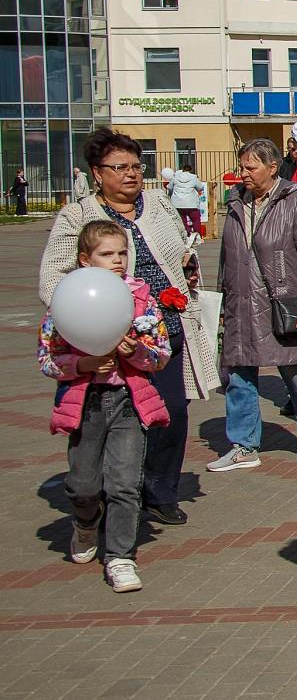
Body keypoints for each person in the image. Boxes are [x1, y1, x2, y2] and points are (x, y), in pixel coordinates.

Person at [40, 127, 218, 527]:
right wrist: (84, 322)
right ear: (96, 173)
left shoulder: (158, 202)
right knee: (115, 419)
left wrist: (188, 271)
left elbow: (178, 251)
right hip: (109, 341)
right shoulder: (78, 215)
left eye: (137, 166)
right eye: (119, 167)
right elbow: (52, 279)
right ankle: (113, 494)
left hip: (165, 331)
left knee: (171, 411)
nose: (132, 174)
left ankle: (159, 491)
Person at [40, 220, 173, 592]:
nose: (117, 261)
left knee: (125, 483)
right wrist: (81, 364)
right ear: (85, 259)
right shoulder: (69, 298)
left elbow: (160, 354)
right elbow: (47, 357)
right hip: (85, 403)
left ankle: (120, 556)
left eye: (122, 253)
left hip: (129, 401)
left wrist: (138, 354)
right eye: (107, 254)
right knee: (83, 484)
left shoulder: (140, 298)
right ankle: (85, 523)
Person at [209, 138, 297, 471]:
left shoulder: (295, 201)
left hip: (282, 301)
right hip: (241, 303)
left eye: (251, 167)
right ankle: (244, 445)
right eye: (242, 167)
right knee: (238, 375)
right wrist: (223, 304)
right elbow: (225, 258)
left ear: (273, 167)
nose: (243, 173)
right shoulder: (236, 203)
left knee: (296, 372)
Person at [168, 162, 206, 239]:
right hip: (191, 203)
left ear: (183, 170)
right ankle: (197, 236)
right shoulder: (194, 178)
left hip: (177, 203)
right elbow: (201, 187)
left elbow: (169, 187)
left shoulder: (175, 177)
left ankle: (186, 235)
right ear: (190, 170)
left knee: (182, 221)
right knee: (196, 220)